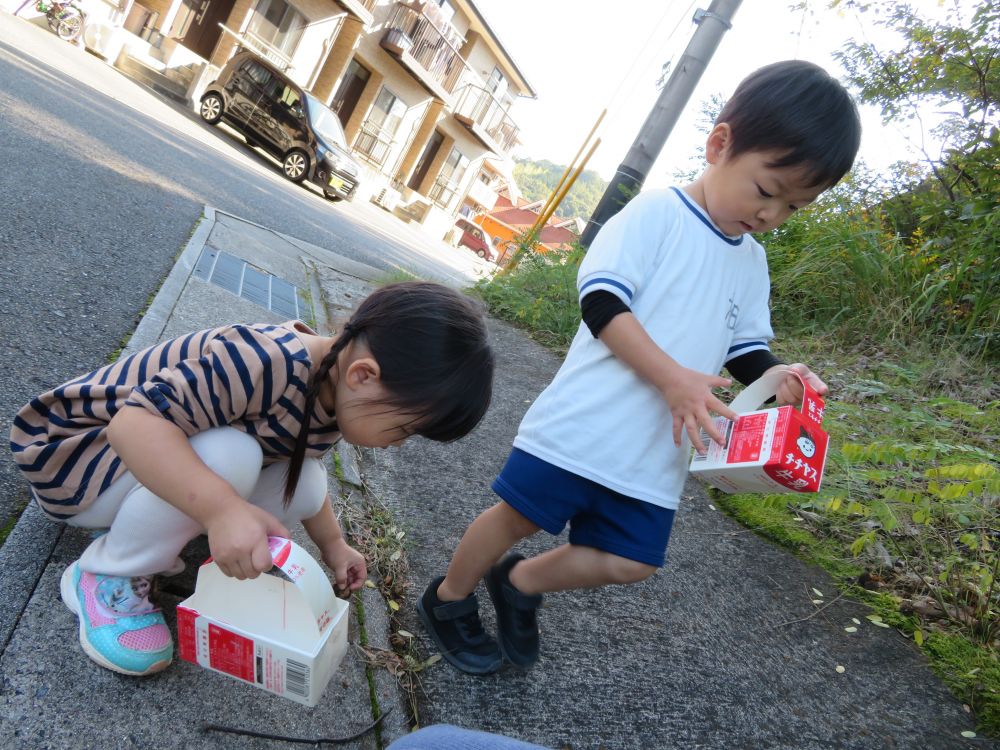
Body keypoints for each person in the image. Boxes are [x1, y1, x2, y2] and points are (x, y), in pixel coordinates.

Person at [418, 60, 862, 674]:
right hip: (586, 425)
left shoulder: (751, 263)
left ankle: (521, 583)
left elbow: (745, 348)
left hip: (657, 449)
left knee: (632, 560)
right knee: (515, 517)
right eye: (766, 191)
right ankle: (447, 599)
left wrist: (778, 376)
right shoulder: (658, 215)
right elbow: (601, 303)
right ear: (720, 144)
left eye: (792, 207)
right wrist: (672, 378)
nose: (770, 216)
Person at [10, 281, 494, 677]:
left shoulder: (333, 387)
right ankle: (107, 573)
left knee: (304, 479)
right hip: (77, 461)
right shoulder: (264, 361)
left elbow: (301, 468)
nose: (399, 443)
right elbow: (131, 425)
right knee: (232, 455)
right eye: (406, 427)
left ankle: (144, 526)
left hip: (128, 467)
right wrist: (222, 510)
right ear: (364, 376)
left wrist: (334, 548)